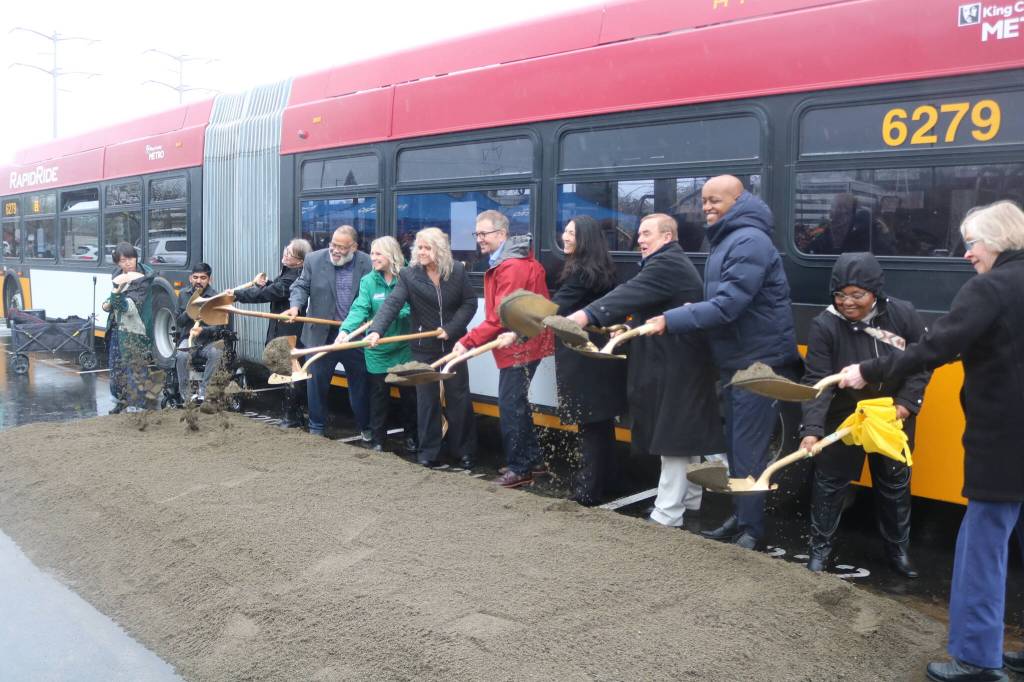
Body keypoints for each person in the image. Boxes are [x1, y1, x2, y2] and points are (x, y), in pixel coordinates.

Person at [839, 201, 1024, 682]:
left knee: (982, 547)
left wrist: (868, 370)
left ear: (998, 241)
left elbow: (935, 347)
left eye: (972, 243)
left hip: (1005, 441)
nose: (967, 254)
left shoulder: (991, 288)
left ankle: (977, 659)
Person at [647, 175, 800, 550]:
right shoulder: (731, 238)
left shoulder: (748, 241)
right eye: (703, 201)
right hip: (739, 358)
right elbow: (725, 298)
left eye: (715, 200)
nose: (706, 207)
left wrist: (672, 319)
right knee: (735, 445)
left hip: (758, 363)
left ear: (738, 199)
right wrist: (695, 308)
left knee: (747, 449)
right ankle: (742, 517)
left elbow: (729, 305)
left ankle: (753, 531)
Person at [566, 213, 723, 525]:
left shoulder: (667, 264)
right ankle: (689, 501)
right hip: (681, 363)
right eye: (639, 234)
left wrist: (584, 316)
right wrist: (626, 328)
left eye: (647, 233)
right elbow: (651, 304)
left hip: (679, 366)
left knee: (673, 440)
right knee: (684, 436)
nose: (639, 239)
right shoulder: (667, 262)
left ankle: (667, 513)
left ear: (667, 237)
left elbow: (629, 293)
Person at [799, 252, 929, 578]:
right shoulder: (824, 325)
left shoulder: (903, 314)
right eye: (840, 294)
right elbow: (817, 381)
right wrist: (812, 429)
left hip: (891, 413)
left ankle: (898, 551)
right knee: (830, 483)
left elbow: (922, 362)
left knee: (894, 483)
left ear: (875, 292)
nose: (847, 302)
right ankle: (819, 551)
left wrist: (906, 403)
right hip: (845, 415)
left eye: (857, 294)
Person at [452, 210, 554, 488]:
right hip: (525, 341)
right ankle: (533, 461)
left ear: (501, 234)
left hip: (519, 343)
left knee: (510, 407)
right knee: (517, 403)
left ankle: (520, 469)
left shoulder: (511, 266)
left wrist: (467, 341)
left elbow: (499, 317)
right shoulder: (512, 261)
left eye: (483, 234)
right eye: (477, 233)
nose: (479, 239)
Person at [366, 228, 478, 468]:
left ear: (440, 249)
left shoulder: (457, 271)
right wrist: (376, 330)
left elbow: (469, 303)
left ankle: (464, 452)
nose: (421, 252)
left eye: (428, 248)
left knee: (458, 397)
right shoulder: (409, 275)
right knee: (427, 401)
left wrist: (451, 328)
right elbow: (392, 304)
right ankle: (428, 453)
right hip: (423, 346)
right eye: (419, 247)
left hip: (454, 345)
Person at [552, 216, 627, 505]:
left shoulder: (581, 272)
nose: (565, 236)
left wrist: (523, 317)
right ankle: (610, 480)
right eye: (565, 231)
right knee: (601, 423)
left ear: (585, 238)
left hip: (583, 357)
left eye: (571, 233)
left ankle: (587, 491)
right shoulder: (601, 268)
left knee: (589, 425)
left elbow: (556, 308)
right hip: (599, 355)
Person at [285, 226, 372, 438]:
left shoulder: (367, 263)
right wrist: (295, 306)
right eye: (333, 244)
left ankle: (366, 428)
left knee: (361, 386)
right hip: (320, 334)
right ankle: (316, 428)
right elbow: (300, 286)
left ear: (354, 247)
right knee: (316, 384)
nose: (335, 250)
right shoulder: (314, 260)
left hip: (354, 335)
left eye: (341, 247)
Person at [339, 236, 418, 452]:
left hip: (403, 346)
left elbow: (413, 307)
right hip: (376, 349)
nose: (372, 258)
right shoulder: (368, 281)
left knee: (409, 396)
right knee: (378, 396)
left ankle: (412, 437)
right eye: (372, 253)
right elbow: (359, 308)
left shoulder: (409, 276)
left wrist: (391, 313)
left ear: (391, 255)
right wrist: (345, 331)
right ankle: (378, 440)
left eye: (378, 254)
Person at [229, 238, 312, 428]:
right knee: (287, 372)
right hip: (282, 330)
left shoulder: (295, 277)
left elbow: (268, 293)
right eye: (286, 250)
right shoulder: (288, 273)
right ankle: (294, 414)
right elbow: (273, 288)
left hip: (291, 333)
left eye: (290, 253)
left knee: (292, 373)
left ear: (300, 261)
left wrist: (236, 295)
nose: (285, 254)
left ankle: (292, 417)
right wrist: (263, 284)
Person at [102, 243, 156, 413]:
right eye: (123, 260)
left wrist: (114, 296)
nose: (128, 263)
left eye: (131, 258)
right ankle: (120, 400)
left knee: (136, 367)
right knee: (116, 366)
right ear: (118, 263)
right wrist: (108, 302)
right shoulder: (118, 275)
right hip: (117, 327)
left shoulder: (144, 279)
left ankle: (138, 406)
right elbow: (110, 303)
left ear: (136, 258)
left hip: (136, 329)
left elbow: (127, 307)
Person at [173, 262, 228, 403]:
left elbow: (219, 327)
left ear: (210, 279)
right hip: (188, 340)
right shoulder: (183, 295)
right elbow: (178, 322)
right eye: (195, 277)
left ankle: (204, 391)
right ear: (190, 278)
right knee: (181, 355)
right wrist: (189, 311)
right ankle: (186, 395)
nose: (198, 281)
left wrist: (203, 330)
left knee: (217, 353)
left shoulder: (215, 297)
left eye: (203, 278)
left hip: (208, 342)